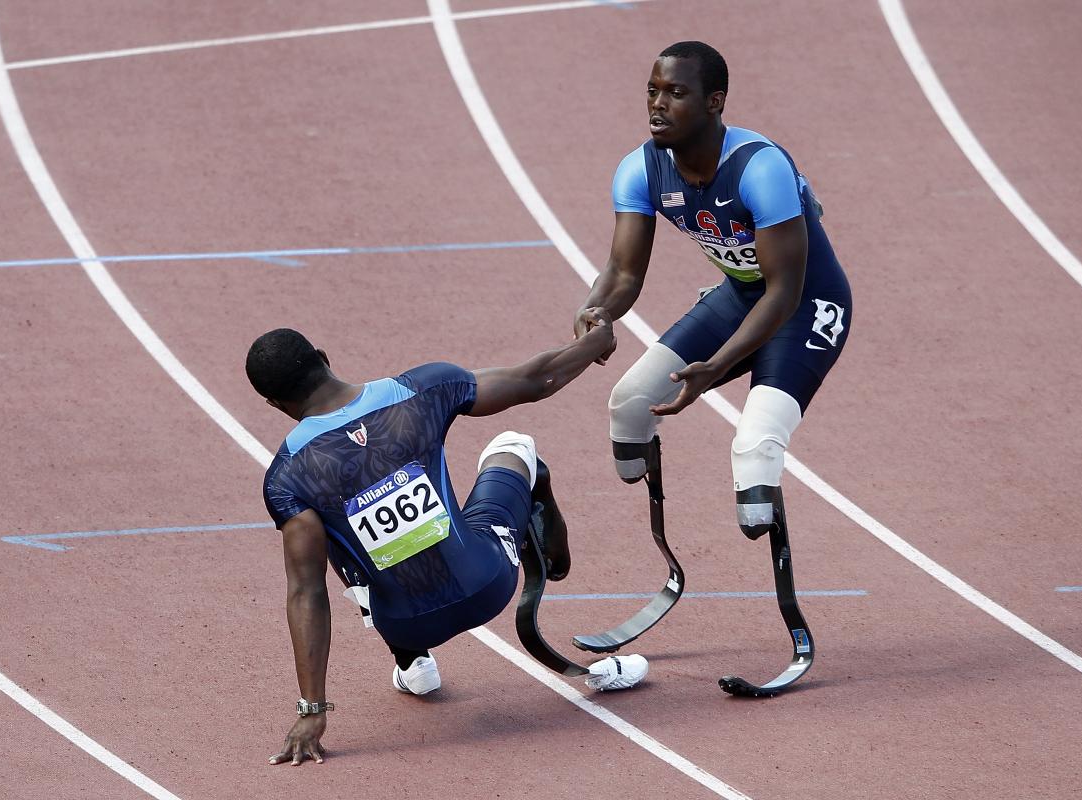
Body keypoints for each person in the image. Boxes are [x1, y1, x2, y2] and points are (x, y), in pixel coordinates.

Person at [246, 318, 631, 767]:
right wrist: (594, 342)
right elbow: (534, 380)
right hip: (489, 586)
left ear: (274, 403)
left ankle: (413, 663)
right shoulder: (422, 389)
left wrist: (312, 709)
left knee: (329, 532)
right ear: (325, 358)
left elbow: (306, 591)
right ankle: (544, 532)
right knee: (514, 446)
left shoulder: (286, 476)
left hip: (404, 623)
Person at [574, 42, 851, 592]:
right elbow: (623, 273)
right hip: (740, 297)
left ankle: (789, 608)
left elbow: (784, 293)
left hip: (806, 304)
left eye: (676, 93)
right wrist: (595, 313)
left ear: (714, 102)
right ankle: (666, 561)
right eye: (652, 91)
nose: (658, 104)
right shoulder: (640, 169)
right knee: (629, 404)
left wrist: (714, 369)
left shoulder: (760, 168)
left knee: (753, 450)